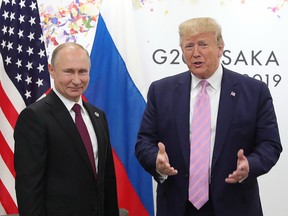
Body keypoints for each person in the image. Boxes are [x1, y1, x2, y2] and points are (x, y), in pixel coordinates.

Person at [135, 17, 282, 216]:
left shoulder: (254, 92)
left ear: (220, 47)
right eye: (189, 46)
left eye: (203, 44)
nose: (196, 53)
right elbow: (144, 141)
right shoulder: (161, 91)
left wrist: (250, 164)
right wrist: (156, 161)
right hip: (178, 206)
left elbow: (270, 144)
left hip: (235, 204)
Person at [14, 42, 119, 216]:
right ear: (52, 70)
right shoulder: (34, 118)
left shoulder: (98, 116)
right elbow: (29, 188)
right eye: (69, 71)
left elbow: (107, 181)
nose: (77, 80)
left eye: (82, 71)